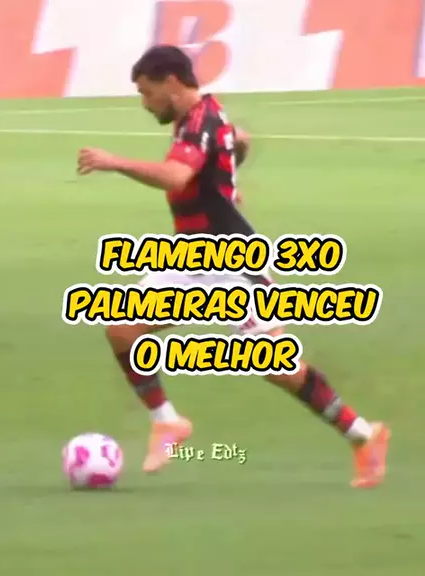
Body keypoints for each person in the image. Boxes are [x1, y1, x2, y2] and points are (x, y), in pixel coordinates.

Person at [77, 45, 390, 488]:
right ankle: (168, 422)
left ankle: (364, 435)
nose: (145, 104)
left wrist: (114, 162)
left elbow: (176, 175)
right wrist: (223, 182)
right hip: (191, 256)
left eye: (147, 93)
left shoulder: (199, 123)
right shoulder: (203, 115)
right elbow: (238, 140)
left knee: (278, 366)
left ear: (171, 82)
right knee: (123, 329)